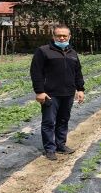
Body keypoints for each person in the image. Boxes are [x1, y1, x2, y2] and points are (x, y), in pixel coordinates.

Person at [30, 25, 85, 161]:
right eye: (58, 35)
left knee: (63, 120)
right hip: (50, 94)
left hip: (68, 93)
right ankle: (50, 149)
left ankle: (60, 145)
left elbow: (78, 72)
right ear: (53, 37)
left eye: (64, 36)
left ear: (69, 37)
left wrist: (80, 89)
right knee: (49, 122)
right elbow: (36, 72)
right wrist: (40, 92)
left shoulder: (73, 53)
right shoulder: (43, 51)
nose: (61, 38)